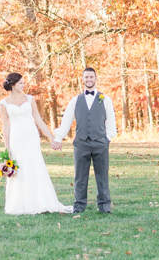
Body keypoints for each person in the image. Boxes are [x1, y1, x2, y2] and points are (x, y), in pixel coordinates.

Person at [0, 72, 73, 215]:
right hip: (16, 138)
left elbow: (38, 120)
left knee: (35, 165)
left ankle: (41, 202)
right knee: (20, 168)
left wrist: (52, 138)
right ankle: (21, 205)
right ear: (13, 85)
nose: (23, 85)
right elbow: (5, 126)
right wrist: (6, 148)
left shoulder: (30, 99)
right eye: (20, 83)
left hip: (31, 137)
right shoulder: (4, 104)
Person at [51, 67, 117, 214]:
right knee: (80, 177)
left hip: (100, 142)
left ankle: (105, 207)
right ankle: (79, 206)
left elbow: (111, 121)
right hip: (81, 143)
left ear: (96, 78)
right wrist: (58, 137)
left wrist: (108, 137)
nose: (89, 80)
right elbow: (66, 121)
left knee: (102, 176)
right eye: (86, 77)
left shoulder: (106, 99)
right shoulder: (75, 100)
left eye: (91, 77)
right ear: (82, 79)